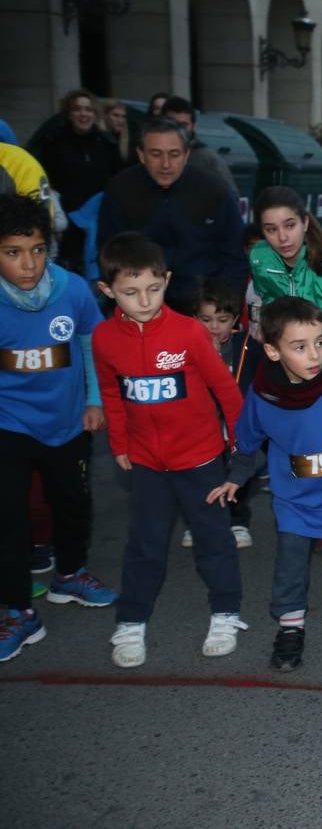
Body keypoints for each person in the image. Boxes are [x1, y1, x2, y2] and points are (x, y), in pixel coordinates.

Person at [209, 296, 322, 671]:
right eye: (300, 346)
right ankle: (290, 626)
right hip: (296, 500)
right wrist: (235, 478)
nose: (315, 355)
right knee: (290, 565)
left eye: (320, 342)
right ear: (273, 351)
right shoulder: (263, 396)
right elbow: (248, 441)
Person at [92, 233, 247, 668]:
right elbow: (112, 392)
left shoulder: (189, 333)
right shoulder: (104, 339)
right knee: (145, 544)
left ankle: (225, 612)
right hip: (145, 462)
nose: (144, 300)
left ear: (167, 280)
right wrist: (119, 442)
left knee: (214, 540)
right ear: (108, 291)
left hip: (199, 459)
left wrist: (240, 444)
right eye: (130, 292)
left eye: (154, 289)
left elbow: (224, 389)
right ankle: (131, 621)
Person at [0, 193, 112, 663]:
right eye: (12, 252)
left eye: (38, 249)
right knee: (9, 518)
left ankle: (70, 573)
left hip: (68, 423)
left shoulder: (71, 289)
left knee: (73, 503)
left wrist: (93, 399)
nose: (29, 264)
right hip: (9, 424)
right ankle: (18, 611)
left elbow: (90, 341)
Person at [99, 118, 246, 312]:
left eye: (174, 154)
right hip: (141, 306)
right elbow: (108, 253)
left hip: (204, 307)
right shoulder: (120, 191)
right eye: (156, 154)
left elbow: (234, 256)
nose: (165, 164)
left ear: (187, 155)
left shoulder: (214, 190)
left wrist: (225, 308)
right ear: (141, 155)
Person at [189, 277, 260, 550]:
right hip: (201, 425)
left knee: (239, 470)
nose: (214, 327)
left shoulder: (247, 347)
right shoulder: (187, 346)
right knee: (200, 474)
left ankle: (238, 521)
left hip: (237, 423)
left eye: (222, 319)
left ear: (234, 320)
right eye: (205, 320)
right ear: (194, 319)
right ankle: (202, 522)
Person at [248, 185, 322, 343]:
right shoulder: (259, 258)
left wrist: (317, 353)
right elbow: (269, 304)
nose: (282, 237)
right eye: (271, 229)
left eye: (290, 225)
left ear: (305, 222)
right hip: (285, 350)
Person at [30, 89, 122, 274]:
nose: (83, 114)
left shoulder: (107, 144)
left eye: (88, 110)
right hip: (66, 224)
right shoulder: (53, 142)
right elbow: (45, 184)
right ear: (69, 113)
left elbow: (118, 181)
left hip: (99, 221)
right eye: (77, 109)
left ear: (95, 114)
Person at [161, 95, 238, 194]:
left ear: (193, 126)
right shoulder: (147, 155)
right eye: (172, 123)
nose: (178, 129)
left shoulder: (208, 160)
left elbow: (231, 198)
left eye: (183, 125)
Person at [100, 98, 131, 170]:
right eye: (115, 115)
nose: (120, 120)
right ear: (105, 115)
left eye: (123, 116)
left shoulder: (126, 141)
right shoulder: (98, 138)